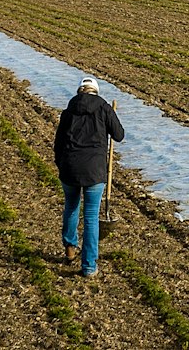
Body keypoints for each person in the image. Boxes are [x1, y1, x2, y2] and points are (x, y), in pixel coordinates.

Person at [54, 75, 124, 279]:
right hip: (94, 170)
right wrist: (110, 118)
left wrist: (61, 164)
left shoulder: (68, 111)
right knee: (91, 216)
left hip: (70, 168)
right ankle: (89, 266)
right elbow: (119, 135)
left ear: (80, 91)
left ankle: (69, 248)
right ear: (96, 91)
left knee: (71, 206)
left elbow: (58, 143)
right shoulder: (103, 107)